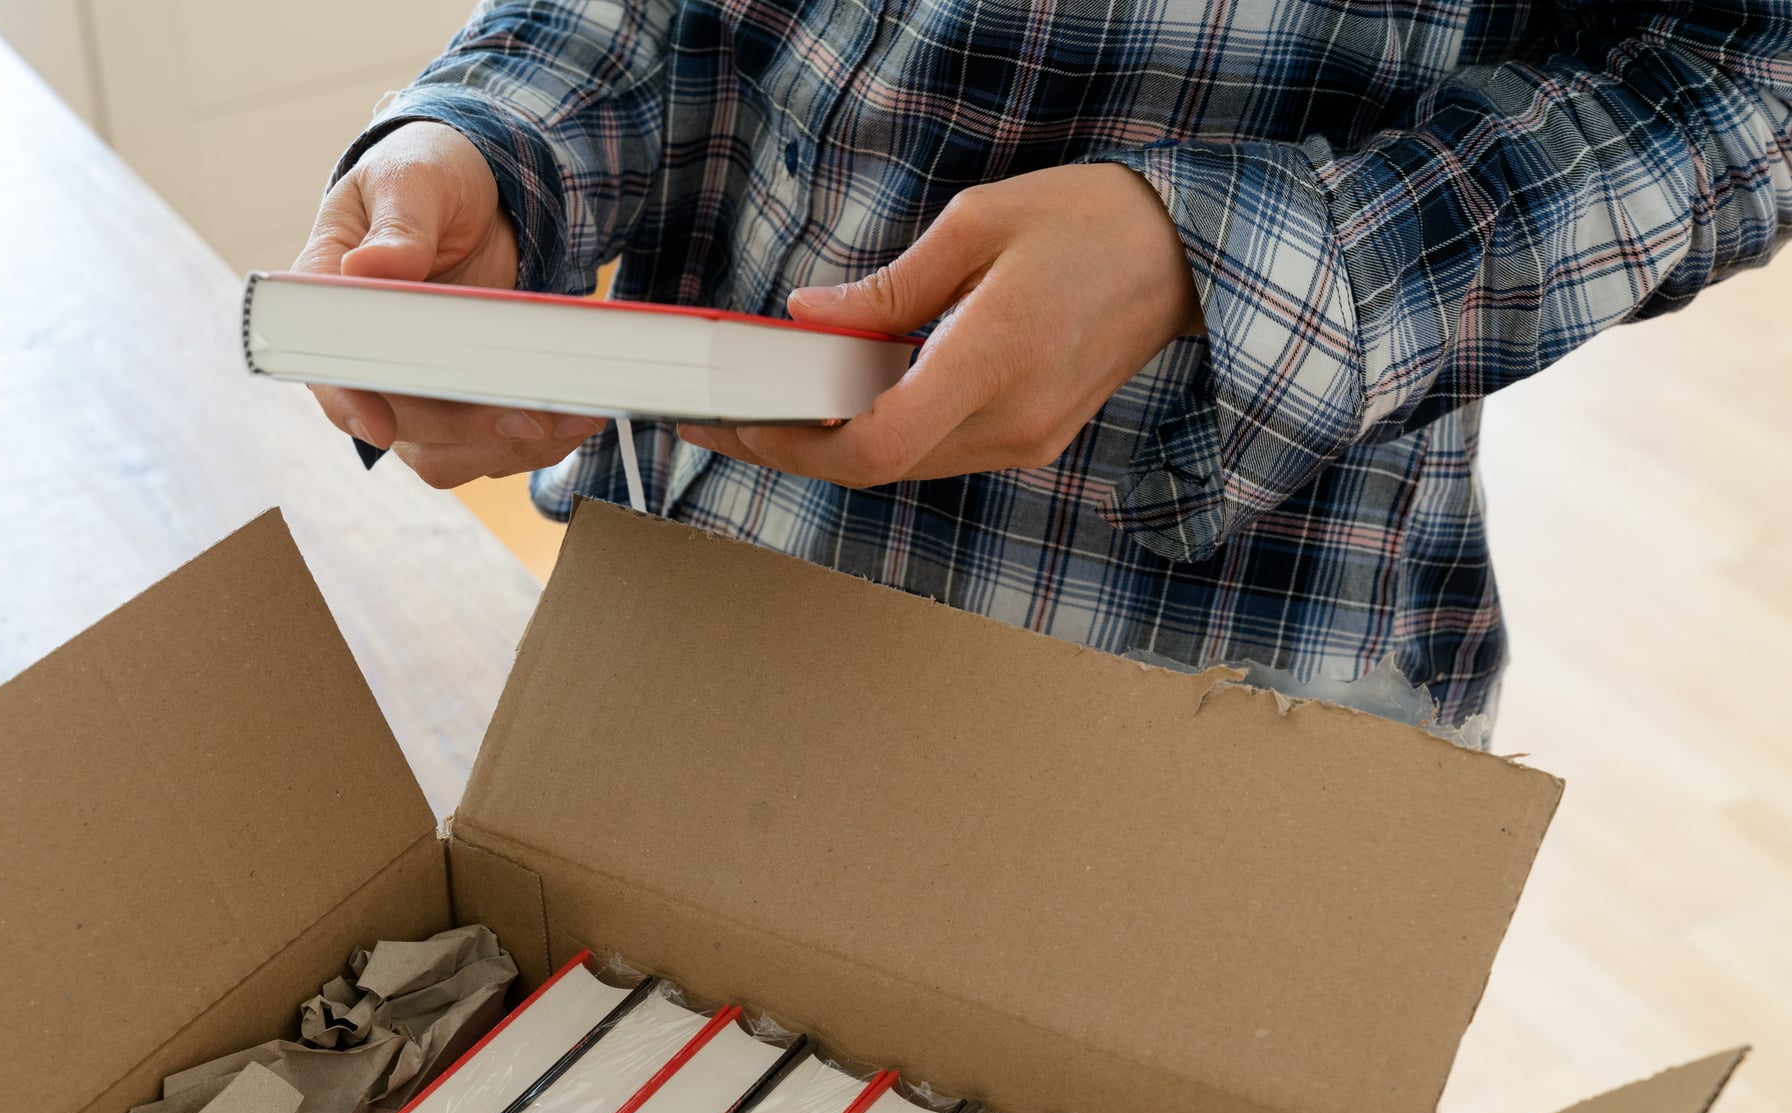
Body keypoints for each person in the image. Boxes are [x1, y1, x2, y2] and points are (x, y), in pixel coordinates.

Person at [297, 2, 1790, 735]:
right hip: (676, 623)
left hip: (1212, 725)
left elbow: (1753, 73)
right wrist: (492, 134)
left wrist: (1217, 262)